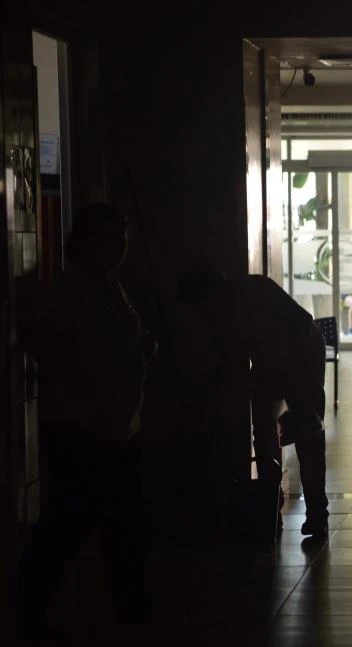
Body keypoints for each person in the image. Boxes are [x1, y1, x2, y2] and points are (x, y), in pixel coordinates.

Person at [16, 203, 154, 636]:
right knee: (72, 524)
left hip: (116, 426)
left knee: (119, 525)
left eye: (124, 239)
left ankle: (130, 611)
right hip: (83, 428)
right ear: (90, 241)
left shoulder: (109, 287)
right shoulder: (69, 287)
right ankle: (28, 608)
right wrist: (80, 380)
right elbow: (38, 337)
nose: (121, 248)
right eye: (114, 239)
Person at [177, 267, 329, 536]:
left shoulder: (253, 292)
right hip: (272, 359)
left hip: (302, 351)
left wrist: (295, 393)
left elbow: (299, 326)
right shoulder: (223, 308)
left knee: (305, 432)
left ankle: (315, 511)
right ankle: (271, 503)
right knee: (267, 430)